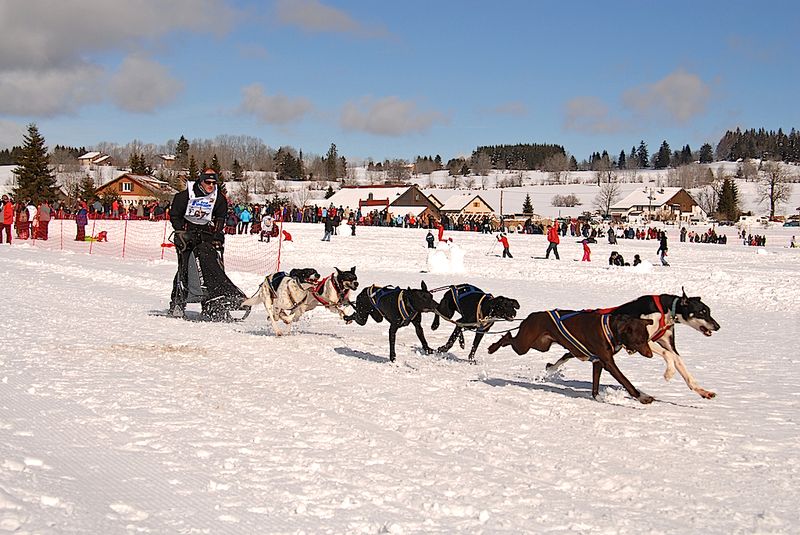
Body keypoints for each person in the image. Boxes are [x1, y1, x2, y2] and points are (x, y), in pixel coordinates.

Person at [167, 168, 229, 317]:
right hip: (187, 235)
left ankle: (211, 303)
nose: (211, 185)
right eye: (208, 182)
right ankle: (177, 302)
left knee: (210, 266)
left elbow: (221, 216)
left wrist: (217, 234)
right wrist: (181, 230)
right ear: (201, 181)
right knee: (185, 268)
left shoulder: (218, 198)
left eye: (214, 183)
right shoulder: (186, 195)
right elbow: (175, 215)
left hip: (206, 235)